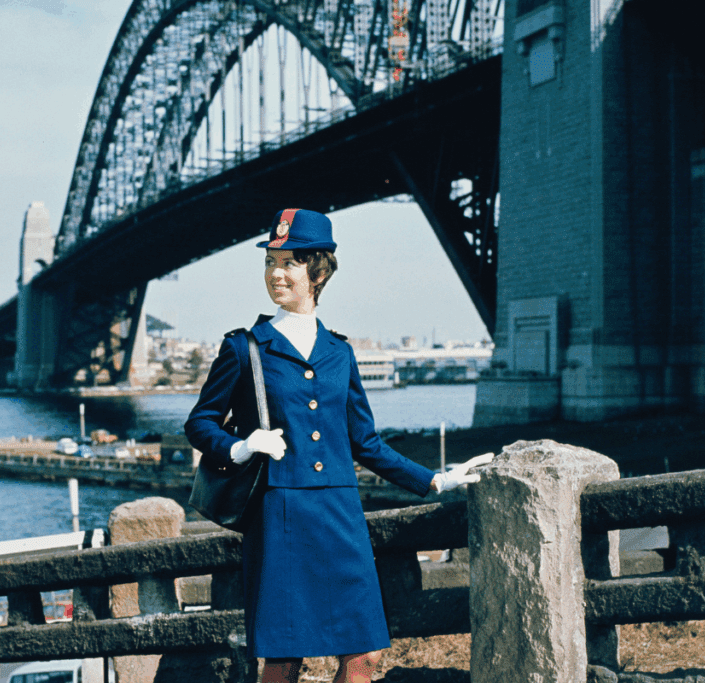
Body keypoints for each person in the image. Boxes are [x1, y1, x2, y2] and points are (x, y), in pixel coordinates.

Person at [184, 208, 491, 683]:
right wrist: (242, 446)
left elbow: (365, 442)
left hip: (342, 516)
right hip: (280, 515)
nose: (276, 274)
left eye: (289, 262)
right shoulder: (245, 348)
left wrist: (435, 479)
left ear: (319, 271)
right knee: (285, 660)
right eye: (271, 262)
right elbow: (200, 423)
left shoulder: (340, 352)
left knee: (363, 656)